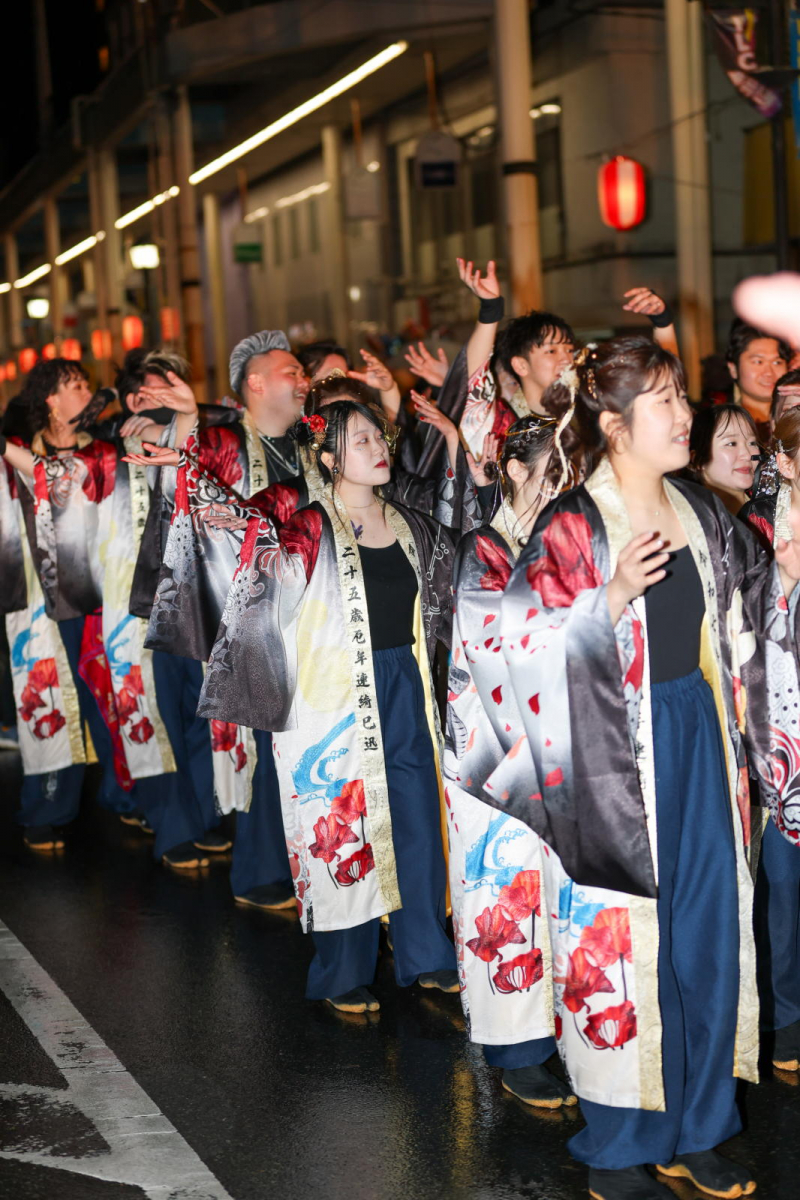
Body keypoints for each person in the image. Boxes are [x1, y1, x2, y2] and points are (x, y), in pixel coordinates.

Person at [499, 335, 800, 1200]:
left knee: (707, 933)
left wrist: (780, 580)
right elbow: (506, 649)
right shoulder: (572, 522)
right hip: (608, 753)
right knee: (621, 942)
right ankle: (624, 1135)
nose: (686, 415)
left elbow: (745, 625)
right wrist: (607, 600)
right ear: (614, 424)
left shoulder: (703, 512)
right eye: (665, 401)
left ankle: (700, 1125)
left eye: (680, 397)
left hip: (699, 735)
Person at [153, 399, 460, 1012]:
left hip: (404, 684)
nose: (379, 447)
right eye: (361, 440)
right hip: (333, 695)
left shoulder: (411, 524)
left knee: (418, 819)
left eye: (380, 436)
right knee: (341, 829)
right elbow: (242, 542)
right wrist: (190, 475)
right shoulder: (309, 526)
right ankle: (342, 969)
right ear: (327, 459)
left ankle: (426, 953)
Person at [0, 358, 199, 861]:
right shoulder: (18, 454)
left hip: (109, 599)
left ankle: (135, 798)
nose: (88, 391)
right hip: (47, 605)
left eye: (88, 383)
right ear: (50, 398)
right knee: (55, 701)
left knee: (123, 704)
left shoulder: (108, 449)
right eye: (76, 385)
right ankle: (47, 809)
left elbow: (66, 476)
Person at [445, 413, 578, 1108]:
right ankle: (517, 1046)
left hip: (560, 747)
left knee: (564, 899)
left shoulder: (570, 538)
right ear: (515, 469)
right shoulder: (484, 547)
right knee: (508, 895)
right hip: (494, 757)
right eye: (549, 464)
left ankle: (564, 1033)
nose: (563, 477)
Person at [738, 407, 800, 1075]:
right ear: (783, 461)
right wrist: (782, 582)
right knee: (781, 889)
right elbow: (738, 629)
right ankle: (785, 1014)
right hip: (780, 733)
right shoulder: (753, 529)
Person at [688, 404, 761, 516]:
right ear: (697, 459)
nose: (747, 455)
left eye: (752, 443)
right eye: (731, 444)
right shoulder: (689, 517)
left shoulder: (773, 511)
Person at [725, 318, 790, 443]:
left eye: (777, 362)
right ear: (733, 369)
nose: (769, 373)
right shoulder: (719, 426)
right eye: (758, 362)